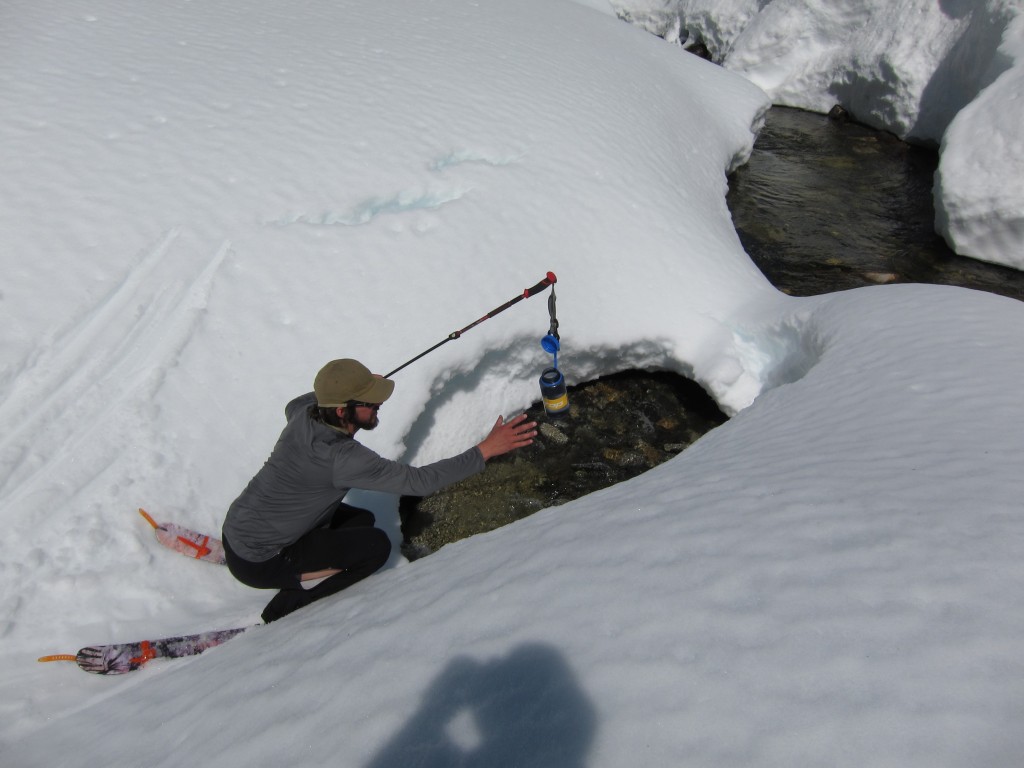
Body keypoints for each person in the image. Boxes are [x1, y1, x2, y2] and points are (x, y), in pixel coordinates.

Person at [222, 358, 537, 623]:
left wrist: (357, 384)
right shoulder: (342, 458)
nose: (379, 404)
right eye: (369, 402)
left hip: (238, 526)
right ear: (343, 412)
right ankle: (290, 605)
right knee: (376, 547)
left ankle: (303, 563)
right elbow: (420, 481)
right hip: (261, 561)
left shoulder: (304, 411)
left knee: (362, 521)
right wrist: (485, 450)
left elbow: (299, 402)